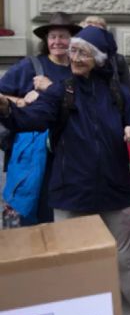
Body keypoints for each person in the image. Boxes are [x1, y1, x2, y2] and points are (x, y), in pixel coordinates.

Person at [0, 26, 130, 315]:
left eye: (82, 52)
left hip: (117, 193)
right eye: (74, 51)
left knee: (128, 264)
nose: (75, 57)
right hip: (72, 195)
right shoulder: (60, 91)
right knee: (75, 267)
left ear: (99, 58)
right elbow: (29, 119)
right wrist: (5, 107)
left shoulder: (119, 94)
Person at [0, 12, 80, 225]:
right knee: (33, 207)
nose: (57, 42)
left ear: (72, 40)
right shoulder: (31, 65)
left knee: (62, 213)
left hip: (69, 151)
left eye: (63, 36)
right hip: (35, 152)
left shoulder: (78, 68)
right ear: (46, 40)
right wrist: (22, 102)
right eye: (53, 37)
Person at [80, 15, 130, 92]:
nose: (94, 37)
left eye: (99, 33)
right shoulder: (73, 59)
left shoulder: (117, 60)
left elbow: (128, 90)